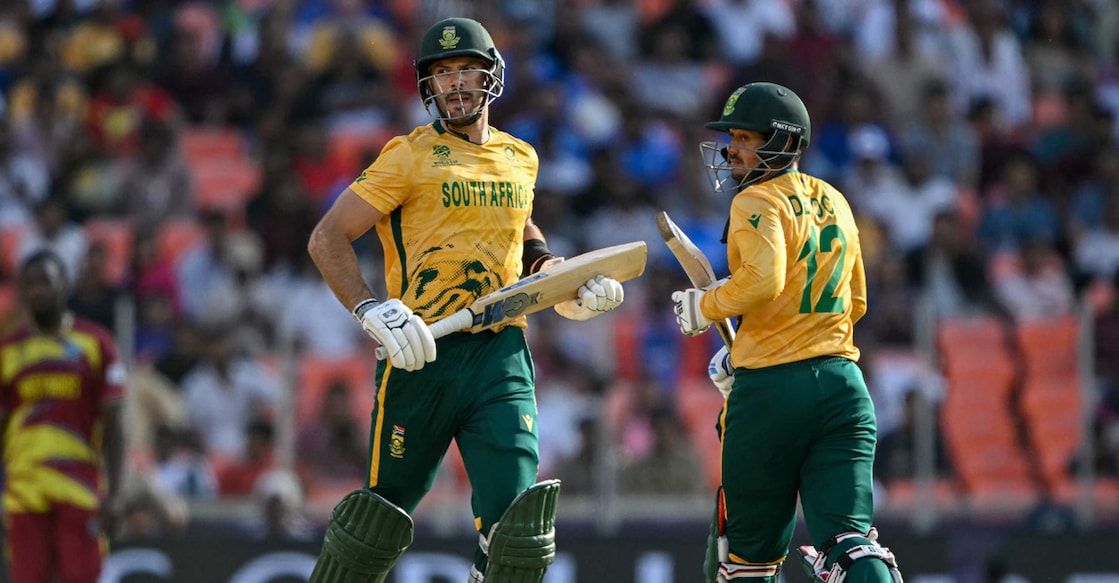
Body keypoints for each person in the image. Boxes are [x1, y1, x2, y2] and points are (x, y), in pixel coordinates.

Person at [305, 17, 626, 583]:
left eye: (466, 71)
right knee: (375, 523)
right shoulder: (406, 155)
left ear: (491, 78)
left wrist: (554, 272)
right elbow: (326, 237)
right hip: (421, 352)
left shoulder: (520, 156)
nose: (454, 84)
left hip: (500, 353)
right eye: (442, 73)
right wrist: (368, 308)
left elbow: (520, 224)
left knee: (517, 532)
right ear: (427, 86)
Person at [669, 82, 903, 582]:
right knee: (851, 543)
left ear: (785, 143)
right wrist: (751, 349)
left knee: (748, 561)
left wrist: (706, 306)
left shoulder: (755, 201)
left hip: (772, 394)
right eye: (732, 135)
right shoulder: (835, 199)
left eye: (747, 137)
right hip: (844, 386)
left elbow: (765, 280)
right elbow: (855, 300)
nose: (733, 147)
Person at [0, 249, 127, 583]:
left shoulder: (96, 344)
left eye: (45, 281)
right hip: (24, 490)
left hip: (79, 486)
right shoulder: (9, 352)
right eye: (28, 284)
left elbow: (115, 427)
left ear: (65, 285)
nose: (36, 290)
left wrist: (115, 494)